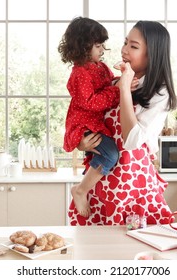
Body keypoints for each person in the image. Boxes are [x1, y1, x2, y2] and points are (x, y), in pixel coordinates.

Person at [68, 20, 177, 226]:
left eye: (133, 46)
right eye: (126, 43)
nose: (124, 50)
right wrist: (82, 143)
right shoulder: (113, 82)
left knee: (133, 252)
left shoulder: (159, 92)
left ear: (152, 54)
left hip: (132, 185)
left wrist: (124, 88)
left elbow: (131, 140)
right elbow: (86, 116)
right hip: (100, 181)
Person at [58, 17, 121, 217]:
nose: (102, 50)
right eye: (98, 45)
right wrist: (117, 91)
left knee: (108, 154)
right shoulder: (80, 74)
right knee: (111, 154)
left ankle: (83, 189)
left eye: (103, 45)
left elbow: (111, 84)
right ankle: (80, 190)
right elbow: (91, 103)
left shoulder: (100, 67)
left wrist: (123, 81)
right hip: (84, 124)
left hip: (95, 124)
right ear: (84, 47)